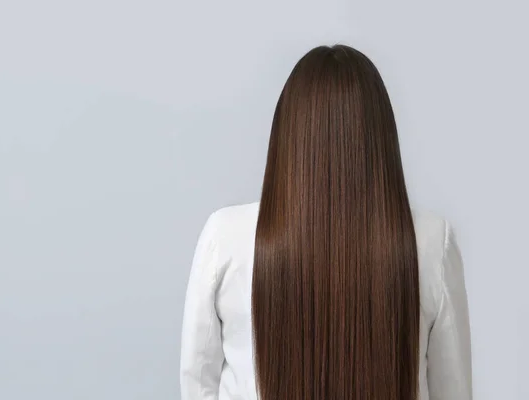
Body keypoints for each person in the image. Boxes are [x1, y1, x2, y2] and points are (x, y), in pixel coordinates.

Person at [179, 45, 472, 400]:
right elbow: (453, 392)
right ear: (379, 139)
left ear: (288, 134)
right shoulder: (430, 242)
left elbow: (197, 386)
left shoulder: (225, 237)